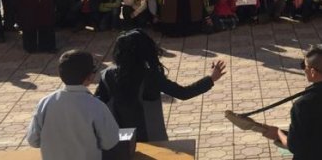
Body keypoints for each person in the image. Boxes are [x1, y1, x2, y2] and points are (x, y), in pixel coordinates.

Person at [96, 29, 226, 141]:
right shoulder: (150, 77)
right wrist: (211, 78)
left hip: (119, 139)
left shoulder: (107, 75)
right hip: (152, 141)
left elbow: (96, 103)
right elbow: (183, 93)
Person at [262, 44, 322, 159]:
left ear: (313, 72)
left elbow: (294, 146)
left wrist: (278, 133)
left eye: (304, 66)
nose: (303, 69)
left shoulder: (302, 104)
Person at [26, 50, 119, 160]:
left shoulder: (45, 103)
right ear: (90, 77)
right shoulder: (96, 106)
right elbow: (110, 142)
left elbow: (33, 141)